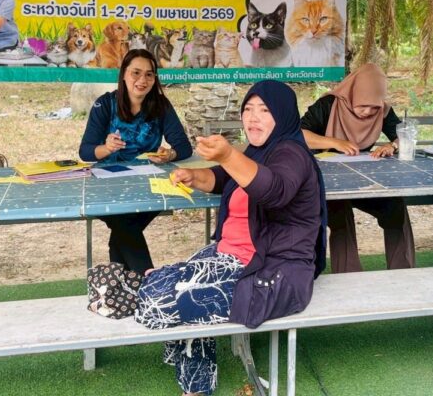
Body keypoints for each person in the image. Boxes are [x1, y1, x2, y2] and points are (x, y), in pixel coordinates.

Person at [136, 80, 326, 396]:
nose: (253, 117)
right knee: (160, 289)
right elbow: (224, 179)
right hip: (231, 256)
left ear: (283, 114)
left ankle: (196, 386)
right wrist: (194, 176)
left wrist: (227, 155)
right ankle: (196, 383)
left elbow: (275, 190)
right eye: (248, 109)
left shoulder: (292, 154)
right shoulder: (258, 151)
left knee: (158, 301)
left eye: (264, 110)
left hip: (273, 271)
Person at [79, 49, 192, 274]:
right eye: (136, 73)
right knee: (124, 226)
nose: (142, 80)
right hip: (107, 187)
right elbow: (86, 151)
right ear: (123, 74)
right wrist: (106, 148)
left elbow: (183, 146)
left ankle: (127, 286)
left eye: (149, 74)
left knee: (123, 229)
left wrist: (169, 155)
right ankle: (150, 278)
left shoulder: (161, 105)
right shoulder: (106, 104)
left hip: (148, 186)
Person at [300, 62, 414, 272]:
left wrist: (392, 145)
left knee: (395, 207)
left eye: (373, 107)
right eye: (362, 106)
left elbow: (402, 134)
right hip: (329, 183)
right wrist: (335, 142)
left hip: (364, 180)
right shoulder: (328, 105)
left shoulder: (382, 110)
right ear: (352, 94)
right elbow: (299, 134)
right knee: (340, 214)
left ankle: (403, 271)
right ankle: (349, 276)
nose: (368, 112)